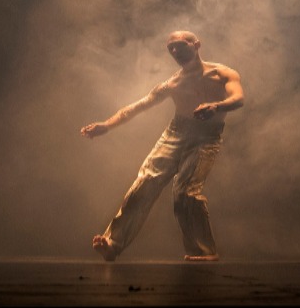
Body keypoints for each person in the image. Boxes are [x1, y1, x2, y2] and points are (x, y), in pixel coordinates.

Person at [81, 30, 245, 262]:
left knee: (184, 192)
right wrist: (106, 125)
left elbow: (238, 98)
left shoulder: (222, 73)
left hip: (206, 137)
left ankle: (203, 250)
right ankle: (113, 243)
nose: (175, 51)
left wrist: (216, 106)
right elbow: (136, 107)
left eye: (180, 45)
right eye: (171, 49)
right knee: (145, 183)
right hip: (175, 133)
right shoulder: (173, 83)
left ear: (196, 44)